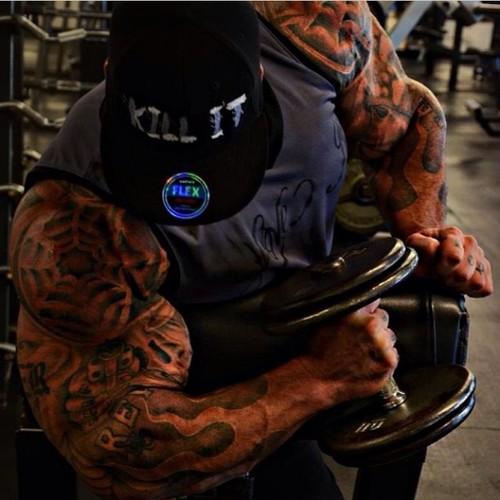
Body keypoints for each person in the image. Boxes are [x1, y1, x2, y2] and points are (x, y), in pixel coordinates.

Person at [9, 2, 493, 499]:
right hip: (199, 388)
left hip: (304, 352)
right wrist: (319, 380)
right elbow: (121, 451)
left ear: (260, 74)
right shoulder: (72, 228)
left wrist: (425, 237)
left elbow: (409, 120)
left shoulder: (315, 24)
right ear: (109, 74)